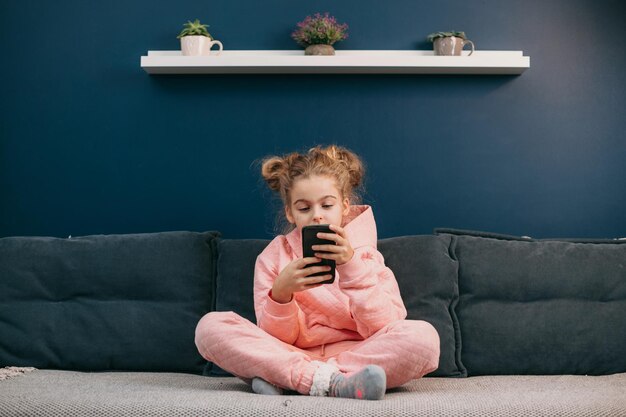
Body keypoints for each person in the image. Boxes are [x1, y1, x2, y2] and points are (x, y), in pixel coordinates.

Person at [195, 145, 440, 400]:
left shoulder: (366, 255)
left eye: (326, 205)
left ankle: (290, 379)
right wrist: (281, 295)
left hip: (356, 354)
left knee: (424, 337)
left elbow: (384, 326)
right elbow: (276, 338)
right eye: (304, 208)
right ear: (290, 212)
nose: (317, 216)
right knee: (210, 327)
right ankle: (333, 383)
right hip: (290, 352)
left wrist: (351, 265)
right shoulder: (272, 258)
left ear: (344, 206)